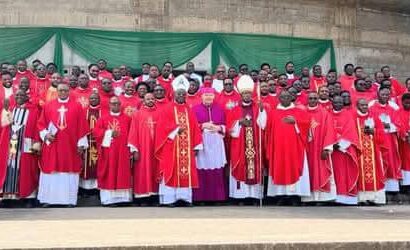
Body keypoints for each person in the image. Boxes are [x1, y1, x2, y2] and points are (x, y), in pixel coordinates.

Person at [37, 83, 89, 207]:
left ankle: (69, 200)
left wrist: (81, 144)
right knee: (51, 171)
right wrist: (46, 134)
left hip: (70, 146)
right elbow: (41, 124)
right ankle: (48, 200)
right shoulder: (49, 105)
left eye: (65, 90)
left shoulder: (77, 106)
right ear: (57, 91)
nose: (63, 92)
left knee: (69, 171)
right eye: (60, 90)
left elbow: (82, 126)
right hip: (53, 145)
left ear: (69, 91)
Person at [154, 88, 202, 206]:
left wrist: (196, 146)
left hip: (186, 148)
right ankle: (169, 199)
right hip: (170, 147)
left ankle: (184, 198)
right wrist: (175, 129)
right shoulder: (167, 108)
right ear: (174, 95)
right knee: (170, 170)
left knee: (185, 172)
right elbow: (161, 127)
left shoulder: (188, 110)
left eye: (183, 94)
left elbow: (195, 128)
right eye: (178, 94)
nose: (181, 96)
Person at [265, 90, 311, 204]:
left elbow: (306, 126)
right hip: (278, 148)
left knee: (294, 167)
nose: (285, 98)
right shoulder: (273, 113)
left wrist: (295, 122)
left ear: (291, 98)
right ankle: (280, 196)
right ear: (278, 99)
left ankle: (294, 196)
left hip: (295, 148)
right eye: (282, 97)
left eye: (287, 96)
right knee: (279, 167)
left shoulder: (299, 111)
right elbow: (268, 131)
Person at [226, 75, 266, 203]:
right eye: (245, 94)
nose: (247, 96)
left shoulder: (256, 107)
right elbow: (229, 128)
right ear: (241, 95)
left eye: (249, 93)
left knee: (254, 167)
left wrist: (262, 111)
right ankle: (240, 196)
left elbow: (263, 124)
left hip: (254, 144)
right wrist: (239, 123)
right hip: (240, 145)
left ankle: (254, 196)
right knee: (241, 166)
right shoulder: (235, 109)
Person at [0, 90, 40, 206]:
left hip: (26, 143)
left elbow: (37, 126)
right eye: (17, 95)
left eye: (21, 95)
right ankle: (9, 197)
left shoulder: (33, 110)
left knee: (27, 169)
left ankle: (28, 197)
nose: (19, 97)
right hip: (10, 144)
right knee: (9, 168)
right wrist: (6, 111)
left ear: (26, 97)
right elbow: (4, 125)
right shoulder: (11, 109)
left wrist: (36, 142)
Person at [93, 96, 132, 206]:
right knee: (109, 173)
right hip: (108, 152)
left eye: (117, 104)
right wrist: (109, 133)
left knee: (122, 173)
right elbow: (96, 132)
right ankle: (109, 200)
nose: (115, 105)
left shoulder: (127, 119)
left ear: (121, 105)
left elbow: (132, 134)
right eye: (113, 103)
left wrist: (132, 150)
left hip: (123, 152)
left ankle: (123, 199)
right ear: (109, 105)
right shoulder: (103, 118)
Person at [192, 88, 227, 203]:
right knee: (201, 169)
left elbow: (226, 125)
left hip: (216, 142)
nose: (208, 97)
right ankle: (201, 198)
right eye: (206, 95)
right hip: (202, 142)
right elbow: (191, 126)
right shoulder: (194, 109)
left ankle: (217, 197)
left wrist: (219, 128)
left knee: (217, 170)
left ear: (214, 96)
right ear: (201, 96)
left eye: (210, 95)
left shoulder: (220, 109)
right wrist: (202, 126)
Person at [303, 91, 337, 202]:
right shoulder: (302, 111)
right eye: (311, 98)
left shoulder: (324, 113)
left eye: (315, 98)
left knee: (321, 171)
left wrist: (327, 148)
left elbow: (330, 131)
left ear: (318, 99)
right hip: (306, 148)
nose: (313, 100)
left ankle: (322, 198)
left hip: (320, 148)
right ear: (307, 99)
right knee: (307, 172)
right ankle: (307, 198)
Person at [128, 92, 160, 204]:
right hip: (143, 148)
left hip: (156, 148)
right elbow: (133, 132)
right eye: (148, 99)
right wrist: (135, 150)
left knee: (156, 170)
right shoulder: (137, 114)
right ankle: (142, 197)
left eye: (152, 99)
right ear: (144, 100)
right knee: (142, 171)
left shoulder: (160, 113)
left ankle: (155, 196)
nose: (150, 100)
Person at [369, 87, 401, 192]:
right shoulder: (371, 106)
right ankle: (380, 186)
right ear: (378, 94)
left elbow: (399, 124)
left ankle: (391, 189)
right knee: (378, 161)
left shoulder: (394, 107)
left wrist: (388, 125)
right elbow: (368, 121)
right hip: (376, 138)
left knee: (390, 161)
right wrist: (379, 126)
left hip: (390, 139)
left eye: (387, 95)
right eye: (383, 94)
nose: (385, 97)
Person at [355, 98, 386, 204]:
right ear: (357, 106)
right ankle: (362, 198)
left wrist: (374, 131)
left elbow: (382, 131)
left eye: (365, 105)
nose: (364, 107)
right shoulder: (354, 118)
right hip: (360, 150)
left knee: (375, 173)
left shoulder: (373, 117)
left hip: (373, 150)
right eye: (362, 105)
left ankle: (374, 198)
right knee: (360, 173)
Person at [330, 95, 360, 205]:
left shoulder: (348, 115)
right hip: (332, 150)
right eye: (336, 102)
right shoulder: (328, 114)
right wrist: (332, 143)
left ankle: (346, 198)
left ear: (343, 103)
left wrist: (339, 144)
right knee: (334, 174)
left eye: (340, 103)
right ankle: (333, 197)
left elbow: (350, 132)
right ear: (332, 102)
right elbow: (326, 130)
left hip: (344, 150)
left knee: (344, 173)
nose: (338, 104)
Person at [79, 93, 101, 191]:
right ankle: (85, 188)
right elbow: (80, 126)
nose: (93, 99)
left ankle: (97, 187)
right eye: (91, 98)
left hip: (99, 142)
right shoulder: (84, 111)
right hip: (87, 141)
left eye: (95, 98)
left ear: (99, 99)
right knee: (85, 164)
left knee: (98, 164)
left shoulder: (103, 112)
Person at [398, 93, 410, 188]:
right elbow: (397, 125)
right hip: (403, 143)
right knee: (405, 162)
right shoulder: (397, 112)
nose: (408, 105)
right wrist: (405, 134)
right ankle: (405, 185)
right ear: (402, 102)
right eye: (406, 103)